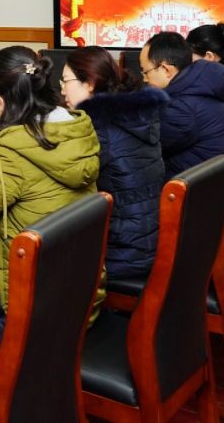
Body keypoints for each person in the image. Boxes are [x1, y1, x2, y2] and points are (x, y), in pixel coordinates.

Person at [0, 46, 101, 313]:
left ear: (0, 101)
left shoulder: (8, 152)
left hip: (27, 311)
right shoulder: (77, 131)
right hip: (81, 300)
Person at [62, 46, 168, 280]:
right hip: (150, 240)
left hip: (121, 252)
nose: (62, 90)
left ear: (89, 83)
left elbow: (70, 177)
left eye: (66, 81)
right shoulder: (135, 116)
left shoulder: (98, 127)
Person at [140, 31, 224, 180]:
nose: (144, 79)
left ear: (166, 69)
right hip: (219, 182)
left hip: (198, 190)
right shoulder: (202, 86)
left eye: (146, 72)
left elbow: (145, 148)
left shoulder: (181, 107)